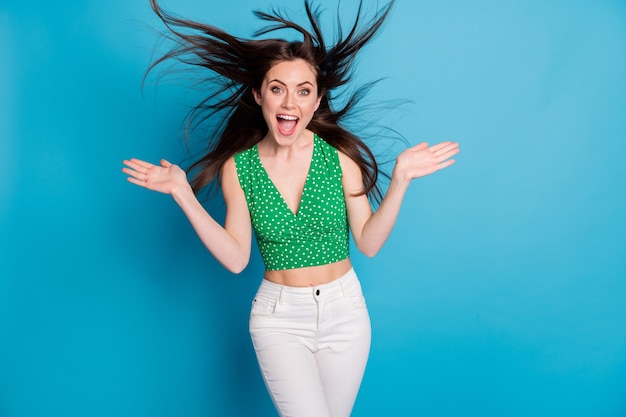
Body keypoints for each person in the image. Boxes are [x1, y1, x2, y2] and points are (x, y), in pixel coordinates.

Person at [122, 0, 459, 416]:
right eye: (278, 88)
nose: (290, 102)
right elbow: (235, 257)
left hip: (346, 312)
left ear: (316, 102)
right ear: (259, 94)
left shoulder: (339, 158)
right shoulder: (239, 169)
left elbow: (368, 243)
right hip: (279, 318)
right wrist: (183, 194)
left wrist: (401, 179)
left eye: (303, 91)